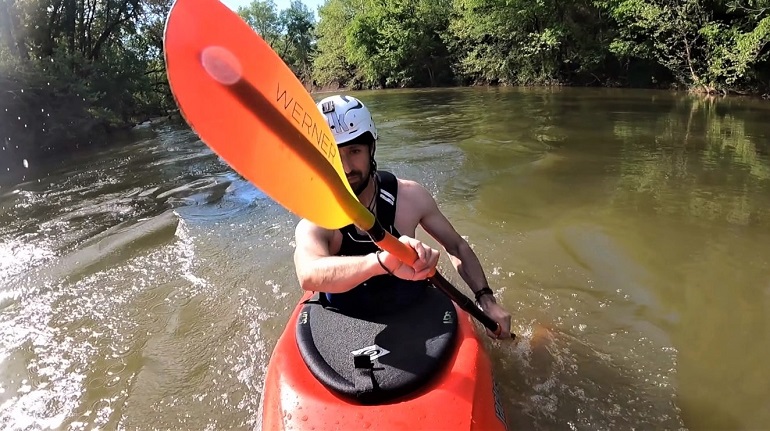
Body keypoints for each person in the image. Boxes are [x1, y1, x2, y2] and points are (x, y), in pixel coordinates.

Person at [293, 95, 512, 339]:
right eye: (334, 154)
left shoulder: (410, 197)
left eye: (354, 151)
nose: (346, 167)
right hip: (344, 314)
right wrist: (383, 262)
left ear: (371, 148)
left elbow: (457, 246)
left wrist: (486, 299)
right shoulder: (318, 215)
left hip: (409, 305)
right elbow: (309, 274)